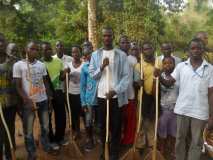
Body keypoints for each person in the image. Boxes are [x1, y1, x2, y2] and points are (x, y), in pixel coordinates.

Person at [157, 38, 213, 160]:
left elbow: (211, 94)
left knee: (196, 142)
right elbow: (168, 84)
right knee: (180, 139)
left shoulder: (210, 68)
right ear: (188, 50)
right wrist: (159, 76)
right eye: (193, 48)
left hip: (200, 112)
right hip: (182, 109)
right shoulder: (181, 66)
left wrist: (211, 115)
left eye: (199, 48)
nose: (196, 50)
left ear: (203, 50)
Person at [89, 27, 129, 160]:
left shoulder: (121, 55)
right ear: (102, 37)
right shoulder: (96, 55)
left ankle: (114, 152)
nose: (107, 38)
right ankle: (104, 150)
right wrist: (101, 67)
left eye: (109, 35)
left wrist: (115, 90)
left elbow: (126, 77)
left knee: (116, 126)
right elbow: (92, 75)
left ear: (113, 37)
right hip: (101, 96)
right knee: (102, 126)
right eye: (104, 35)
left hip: (116, 97)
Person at [13, 41, 55, 160]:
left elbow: (45, 82)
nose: (35, 51)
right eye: (32, 49)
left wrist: (49, 98)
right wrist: (27, 100)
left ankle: (45, 146)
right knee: (29, 130)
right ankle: (31, 153)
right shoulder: (18, 65)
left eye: (36, 49)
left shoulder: (41, 65)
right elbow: (18, 86)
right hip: (28, 103)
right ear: (26, 49)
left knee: (45, 127)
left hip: (42, 100)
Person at [134, 42, 160, 151]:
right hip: (142, 97)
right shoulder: (138, 65)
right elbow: (135, 83)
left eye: (150, 48)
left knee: (151, 121)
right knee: (141, 121)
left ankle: (151, 144)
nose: (148, 51)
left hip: (155, 98)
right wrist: (137, 83)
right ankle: (140, 144)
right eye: (145, 49)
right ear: (142, 51)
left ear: (153, 49)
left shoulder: (159, 63)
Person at [41, 42, 68, 147]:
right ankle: (51, 140)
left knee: (61, 116)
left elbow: (61, 77)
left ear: (51, 50)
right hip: (45, 94)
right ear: (41, 51)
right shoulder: (40, 63)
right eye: (44, 50)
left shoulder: (58, 61)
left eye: (49, 49)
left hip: (58, 91)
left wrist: (64, 73)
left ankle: (60, 137)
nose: (47, 51)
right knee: (47, 118)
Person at [0, 35, 19, 160]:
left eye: (2, 41)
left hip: (11, 102)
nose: (0, 44)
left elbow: (18, 81)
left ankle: (9, 154)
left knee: (9, 128)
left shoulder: (14, 61)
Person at [158, 56, 178, 158]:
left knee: (173, 131)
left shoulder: (177, 76)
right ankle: (162, 150)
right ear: (162, 65)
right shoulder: (159, 76)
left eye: (170, 63)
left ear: (174, 64)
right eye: (165, 63)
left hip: (176, 109)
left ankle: (172, 150)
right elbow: (155, 92)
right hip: (163, 108)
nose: (168, 65)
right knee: (162, 130)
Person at [119, 36, 137, 146]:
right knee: (117, 120)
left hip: (129, 94)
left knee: (129, 120)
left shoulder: (133, 59)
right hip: (117, 95)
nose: (125, 44)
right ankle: (116, 140)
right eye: (122, 42)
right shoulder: (114, 57)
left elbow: (136, 78)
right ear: (119, 44)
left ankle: (128, 140)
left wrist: (138, 81)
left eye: (127, 42)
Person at [63, 45, 84, 138]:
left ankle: (88, 134)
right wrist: (65, 72)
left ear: (80, 53)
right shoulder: (68, 65)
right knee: (74, 114)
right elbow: (62, 78)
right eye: (73, 52)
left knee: (83, 114)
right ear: (71, 54)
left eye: (77, 52)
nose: (75, 54)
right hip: (71, 94)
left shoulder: (84, 65)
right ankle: (77, 132)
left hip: (82, 94)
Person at [80, 41, 97, 151]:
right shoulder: (84, 68)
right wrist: (83, 102)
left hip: (100, 99)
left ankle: (101, 137)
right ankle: (89, 139)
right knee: (88, 120)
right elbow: (82, 86)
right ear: (85, 57)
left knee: (100, 121)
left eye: (90, 53)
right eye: (86, 55)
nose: (89, 56)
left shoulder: (100, 66)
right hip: (89, 99)